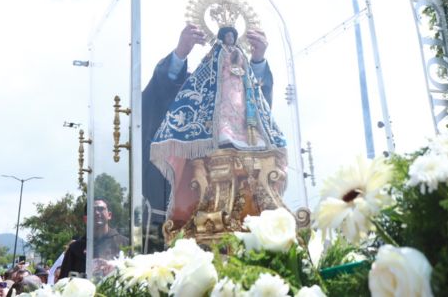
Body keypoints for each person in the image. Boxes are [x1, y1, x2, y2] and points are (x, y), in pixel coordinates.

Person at [143, 22, 285, 248]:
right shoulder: (195, 89)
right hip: (195, 192)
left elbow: (259, 110)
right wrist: (181, 52)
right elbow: (161, 91)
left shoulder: (245, 87)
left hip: (245, 184)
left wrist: (257, 62)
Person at [57, 199, 129, 280]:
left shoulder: (125, 243)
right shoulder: (75, 249)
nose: (97, 213)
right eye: (92, 210)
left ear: (109, 215)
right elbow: (63, 282)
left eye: (101, 209)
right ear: (85, 219)